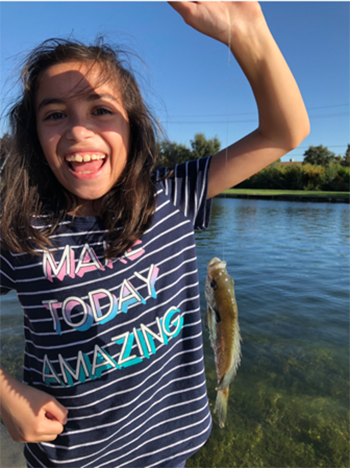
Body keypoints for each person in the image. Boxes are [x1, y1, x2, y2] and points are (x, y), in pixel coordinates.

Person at [0, 2, 309, 467]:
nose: (79, 130)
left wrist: (248, 34)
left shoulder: (173, 196)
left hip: (171, 450)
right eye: (55, 114)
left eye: (101, 109)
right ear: (34, 134)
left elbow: (284, 132)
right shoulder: (19, 231)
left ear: (134, 124)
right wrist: (5, 397)